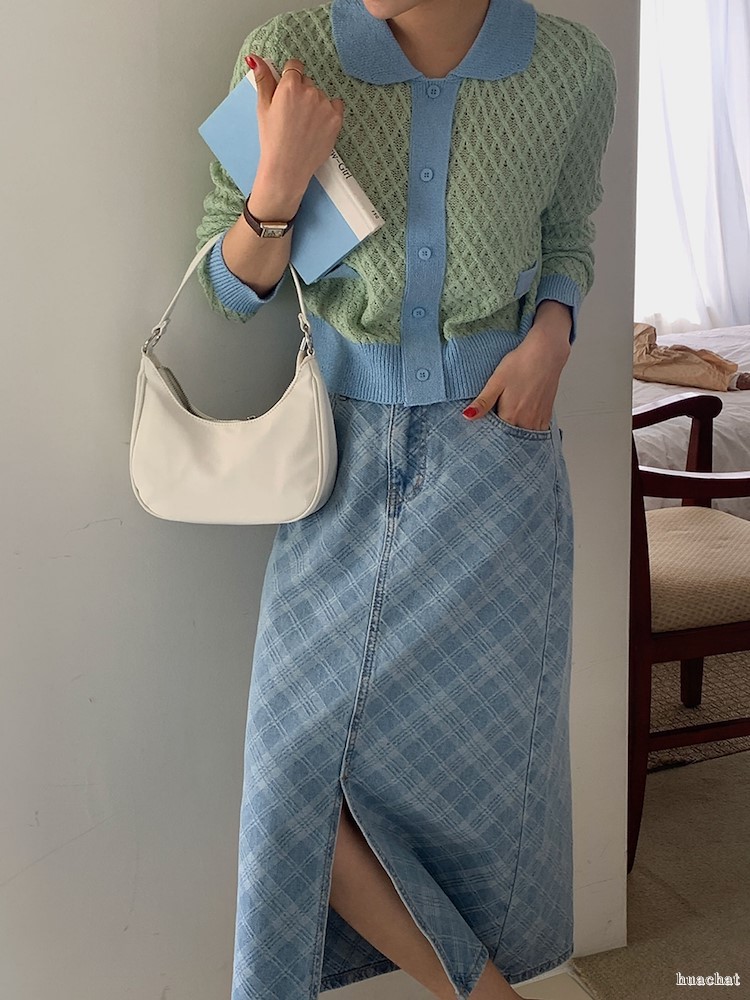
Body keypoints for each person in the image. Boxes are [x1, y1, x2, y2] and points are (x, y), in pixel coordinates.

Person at [195, 0, 617, 997]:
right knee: (291, 773)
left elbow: (570, 237)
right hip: (336, 468)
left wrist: (552, 336)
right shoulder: (288, 53)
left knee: (481, 782)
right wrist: (279, 182)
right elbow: (228, 288)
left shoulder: (568, 67)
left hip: (494, 465)